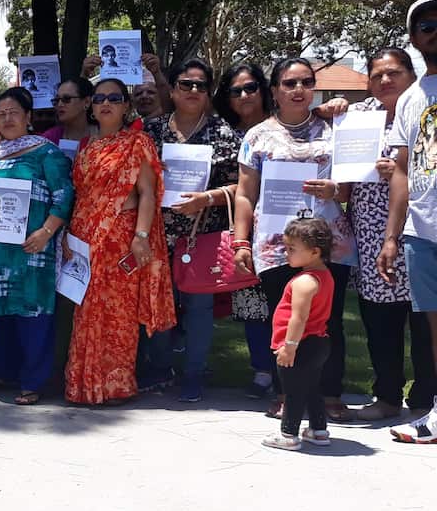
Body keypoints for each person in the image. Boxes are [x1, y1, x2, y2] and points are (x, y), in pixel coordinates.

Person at [233, 57, 357, 422]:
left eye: (306, 82)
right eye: (289, 83)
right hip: (277, 246)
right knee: (284, 321)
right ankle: (287, 393)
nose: (299, 89)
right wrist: (241, 241)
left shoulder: (335, 129)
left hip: (328, 244)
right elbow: (245, 194)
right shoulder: (256, 136)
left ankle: (329, 394)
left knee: (328, 323)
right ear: (274, 91)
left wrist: (336, 190)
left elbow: (349, 185)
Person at [64, 79, 175, 406]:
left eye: (114, 98)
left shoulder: (138, 142)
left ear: (126, 106)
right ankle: (83, 387)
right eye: (99, 98)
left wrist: (141, 236)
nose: (105, 103)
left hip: (120, 239)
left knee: (118, 315)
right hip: (85, 240)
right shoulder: (86, 146)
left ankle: (115, 386)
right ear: (91, 105)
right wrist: (70, 236)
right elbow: (81, 197)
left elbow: (147, 193)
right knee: (85, 313)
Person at [0, 86, 74, 403]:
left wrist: (46, 232)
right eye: (1, 114)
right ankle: (2, 373)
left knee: (32, 313)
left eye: (14, 112)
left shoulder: (46, 153)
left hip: (32, 249)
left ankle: (32, 382)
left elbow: (64, 196)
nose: (7, 118)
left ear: (28, 117)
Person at [140, 58, 241, 401]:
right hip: (157, 235)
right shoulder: (152, 131)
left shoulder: (222, 132)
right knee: (159, 304)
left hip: (202, 236)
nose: (193, 90)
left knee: (199, 310)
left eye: (201, 85)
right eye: (186, 84)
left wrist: (207, 198)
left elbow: (242, 187)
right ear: (172, 90)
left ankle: (194, 374)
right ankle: (160, 369)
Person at [345, 49, 435, 420]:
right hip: (371, 234)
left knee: (425, 322)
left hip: (421, 230)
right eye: (377, 75)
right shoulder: (358, 117)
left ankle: (425, 399)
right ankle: (387, 398)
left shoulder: (426, 109)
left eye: (393, 72)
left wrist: (399, 169)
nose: (385, 80)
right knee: (381, 323)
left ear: (411, 74)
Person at [380, 0, 437, 444]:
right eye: (426, 26)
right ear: (415, 38)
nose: (435, 31)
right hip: (422, 231)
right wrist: (392, 237)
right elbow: (401, 170)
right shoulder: (411, 99)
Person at [213, 63, 278, 398]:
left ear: (263, 89)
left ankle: (293, 372)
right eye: (235, 91)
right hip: (245, 228)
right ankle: (263, 370)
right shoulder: (224, 134)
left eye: (250, 87)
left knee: (289, 301)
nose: (244, 95)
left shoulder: (285, 124)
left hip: (286, 228)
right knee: (252, 302)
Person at [263, 218, 336, 450]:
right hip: (318, 343)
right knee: (312, 387)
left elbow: (299, 318)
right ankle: (318, 430)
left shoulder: (305, 281)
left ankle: (288, 434)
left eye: (292, 249)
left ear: (315, 252)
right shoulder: (324, 275)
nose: (286, 253)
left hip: (300, 345)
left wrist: (290, 346)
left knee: (293, 391)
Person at [42, 77, 97, 158]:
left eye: (66, 99)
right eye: (57, 100)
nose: (60, 104)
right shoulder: (49, 139)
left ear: (87, 102)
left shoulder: (104, 135)